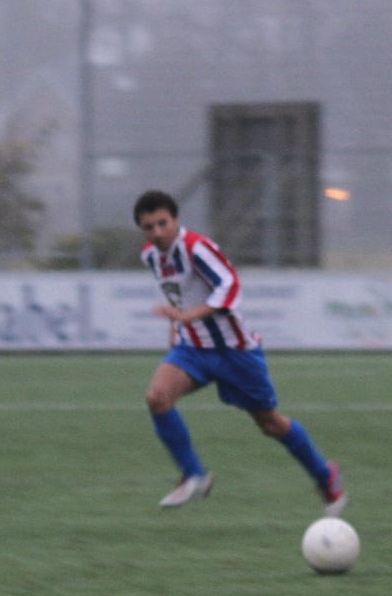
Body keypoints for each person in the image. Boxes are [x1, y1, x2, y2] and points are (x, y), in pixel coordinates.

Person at [133, 189, 345, 515]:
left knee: (270, 424)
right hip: (192, 348)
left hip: (235, 352)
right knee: (157, 398)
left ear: (176, 220)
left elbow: (230, 286)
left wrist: (187, 316)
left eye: (163, 223)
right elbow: (179, 298)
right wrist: (176, 331)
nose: (158, 232)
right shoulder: (151, 256)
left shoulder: (196, 248)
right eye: (149, 227)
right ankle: (193, 475)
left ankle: (324, 475)